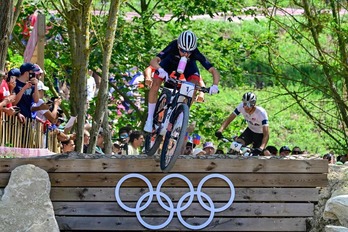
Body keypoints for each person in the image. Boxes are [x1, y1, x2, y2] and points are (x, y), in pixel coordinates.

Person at [144, 30, 220, 132]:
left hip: (188, 67)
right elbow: (153, 61)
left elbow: (213, 71)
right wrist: (160, 69)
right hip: (169, 64)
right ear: (178, 46)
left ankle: (180, 118)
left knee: (194, 85)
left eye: (189, 52)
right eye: (182, 50)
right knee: (156, 83)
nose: (185, 54)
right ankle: (149, 119)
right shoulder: (173, 45)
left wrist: (215, 85)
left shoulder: (195, 53)